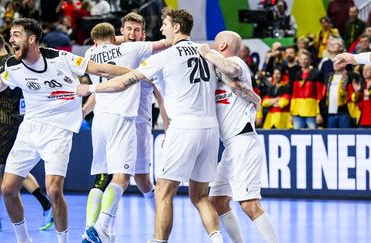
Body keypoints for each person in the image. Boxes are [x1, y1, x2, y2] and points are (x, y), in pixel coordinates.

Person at [77, 8, 226, 243]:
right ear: (121, 31)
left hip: (166, 127)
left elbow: (127, 82)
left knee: (157, 188)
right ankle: (217, 239)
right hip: (208, 128)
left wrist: (90, 88)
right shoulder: (205, 51)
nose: (161, 29)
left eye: (164, 24)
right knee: (198, 196)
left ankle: (145, 236)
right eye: (129, 30)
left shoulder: (158, 56)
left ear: (175, 27)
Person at [0, 18, 131, 243]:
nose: (11, 39)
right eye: (10, 35)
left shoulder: (61, 58)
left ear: (31, 39)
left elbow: (100, 69)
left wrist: (137, 73)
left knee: (53, 190)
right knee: (8, 189)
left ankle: (63, 241)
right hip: (30, 129)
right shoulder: (12, 65)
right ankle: (23, 240)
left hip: (59, 132)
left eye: (16, 35)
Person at [81, 13, 168, 242]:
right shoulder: (124, 51)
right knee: (117, 177)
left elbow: (160, 95)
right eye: (128, 29)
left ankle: (161, 225)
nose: (132, 34)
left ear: (144, 33)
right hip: (121, 120)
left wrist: (167, 125)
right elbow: (102, 90)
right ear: (121, 30)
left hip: (139, 124)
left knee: (143, 180)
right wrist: (83, 111)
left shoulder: (149, 55)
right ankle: (102, 229)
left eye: (137, 30)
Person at [0, 32, 54, 233]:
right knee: (16, 169)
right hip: (12, 121)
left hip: (6, 124)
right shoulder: (12, 63)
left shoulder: (4, 64)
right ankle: (46, 205)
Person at [198, 31, 278, 243]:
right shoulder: (216, 73)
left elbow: (231, 70)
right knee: (217, 201)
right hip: (230, 147)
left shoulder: (235, 62)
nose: (212, 45)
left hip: (243, 142)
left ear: (223, 44)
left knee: (249, 205)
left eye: (215, 43)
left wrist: (206, 51)